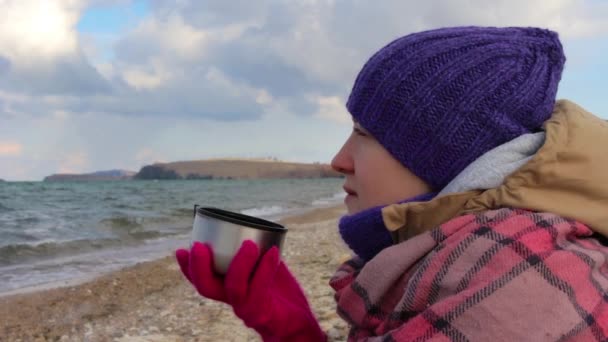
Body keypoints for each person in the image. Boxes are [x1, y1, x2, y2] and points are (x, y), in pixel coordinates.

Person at [176, 26, 608, 341]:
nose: (337, 161)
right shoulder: (474, 250)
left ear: (442, 155)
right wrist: (290, 327)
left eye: (364, 134)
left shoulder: (513, 279)